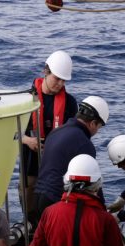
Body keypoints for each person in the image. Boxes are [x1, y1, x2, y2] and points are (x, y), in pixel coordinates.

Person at [33, 95, 109, 246]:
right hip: (58, 201)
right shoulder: (84, 143)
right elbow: (91, 181)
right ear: (93, 123)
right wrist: (102, 212)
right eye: (99, 127)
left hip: (40, 198)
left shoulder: (57, 132)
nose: (97, 132)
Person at [20, 50, 78, 224]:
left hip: (56, 163)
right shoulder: (25, 99)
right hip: (30, 160)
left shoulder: (69, 103)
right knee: (28, 197)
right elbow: (10, 131)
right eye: (57, 78)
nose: (60, 84)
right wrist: (27, 140)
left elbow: (73, 134)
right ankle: (31, 231)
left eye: (63, 80)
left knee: (55, 205)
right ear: (46, 71)